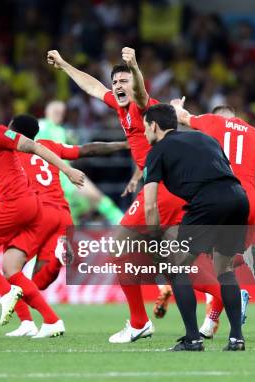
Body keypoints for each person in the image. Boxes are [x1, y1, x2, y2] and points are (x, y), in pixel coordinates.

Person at [0, 114, 129, 336]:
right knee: (36, 284)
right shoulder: (47, 146)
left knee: (10, 270)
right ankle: (31, 319)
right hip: (63, 215)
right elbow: (89, 149)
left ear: (12, 130)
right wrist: (125, 144)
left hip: (38, 214)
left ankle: (38, 316)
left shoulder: (8, 151)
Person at [47, 47, 191, 343]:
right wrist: (64, 65)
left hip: (161, 188)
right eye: (116, 82)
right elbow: (92, 86)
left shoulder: (142, 105)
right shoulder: (119, 105)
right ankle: (227, 296)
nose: (119, 87)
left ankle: (139, 322)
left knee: (120, 247)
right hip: (169, 186)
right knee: (173, 261)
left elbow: (139, 90)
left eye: (124, 81)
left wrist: (134, 65)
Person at [156, 100, 255, 337]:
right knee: (226, 264)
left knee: (185, 260)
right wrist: (250, 194)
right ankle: (213, 323)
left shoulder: (212, 123)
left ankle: (190, 321)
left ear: (218, 116)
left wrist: (174, 106)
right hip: (247, 201)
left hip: (215, 197)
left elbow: (181, 117)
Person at [142, 103, 249, 351]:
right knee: (225, 271)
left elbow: (150, 205)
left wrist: (154, 238)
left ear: (154, 126)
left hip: (207, 201)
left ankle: (193, 338)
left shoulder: (158, 150)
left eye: (146, 127)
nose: (145, 132)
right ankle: (236, 338)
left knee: (177, 269)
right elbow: (227, 170)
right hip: (237, 198)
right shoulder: (205, 138)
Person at [37, 100, 124, 225]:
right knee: (93, 198)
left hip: (66, 173)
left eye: (61, 112)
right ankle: (122, 224)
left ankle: (122, 224)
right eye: (56, 111)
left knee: (90, 200)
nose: (59, 114)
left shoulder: (62, 130)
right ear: (47, 111)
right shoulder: (42, 125)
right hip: (54, 175)